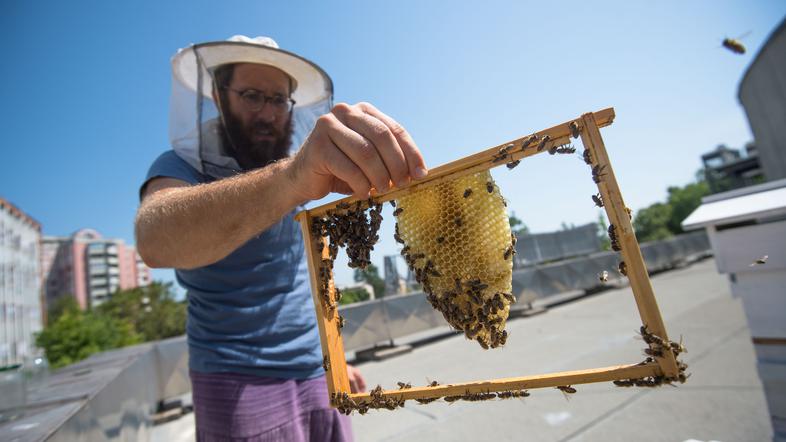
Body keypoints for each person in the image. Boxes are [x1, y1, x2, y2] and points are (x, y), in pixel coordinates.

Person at [135, 35, 428, 441]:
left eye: (279, 100)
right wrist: (290, 178)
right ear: (219, 98)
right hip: (236, 378)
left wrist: (333, 354)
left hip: (319, 368)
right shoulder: (179, 166)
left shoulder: (300, 164)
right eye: (253, 95)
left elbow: (304, 273)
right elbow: (154, 239)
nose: (268, 113)